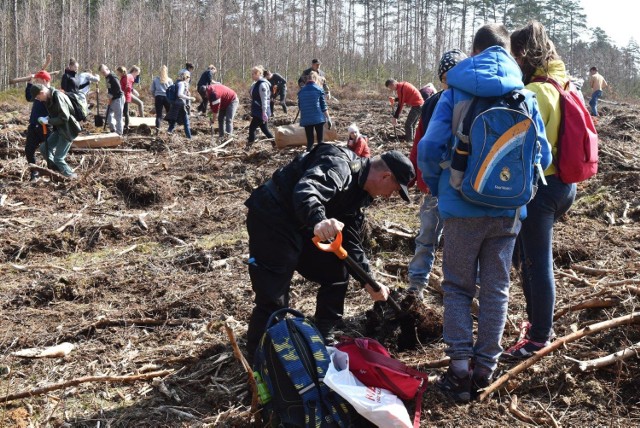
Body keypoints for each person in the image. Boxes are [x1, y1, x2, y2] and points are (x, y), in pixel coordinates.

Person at [417, 23, 552, 402]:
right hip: (508, 211)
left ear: (473, 52)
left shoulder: (456, 90)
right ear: (509, 52)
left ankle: (459, 371)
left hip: (461, 207)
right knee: (497, 288)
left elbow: (429, 147)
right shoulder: (524, 94)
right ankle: (485, 368)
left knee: (458, 286)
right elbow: (544, 155)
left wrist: (436, 184)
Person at [244, 144, 415, 361]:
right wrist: (318, 219)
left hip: (303, 226)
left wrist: (369, 281)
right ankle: (259, 360)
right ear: (385, 176)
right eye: (396, 189)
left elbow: (351, 243)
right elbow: (307, 190)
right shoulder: (339, 165)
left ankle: (324, 333)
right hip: (273, 216)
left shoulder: (360, 195)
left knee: (337, 271)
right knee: (274, 296)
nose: (391, 196)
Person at [502, 21, 578, 360]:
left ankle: (540, 337)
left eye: (517, 56)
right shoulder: (561, 81)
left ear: (526, 54)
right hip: (564, 184)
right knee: (526, 256)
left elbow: (528, 147)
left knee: (535, 261)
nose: (515, 63)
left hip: (544, 188)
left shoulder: (538, 92)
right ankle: (537, 325)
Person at [407, 49, 467, 300]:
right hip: (457, 184)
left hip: (446, 183)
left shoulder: (440, 102)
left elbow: (423, 146)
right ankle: (422, 286)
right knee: (435, 237)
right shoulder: (437, 103)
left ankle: (432, 286)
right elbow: (421, 144)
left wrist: (424, 179)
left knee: (436, 237)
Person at [31, 83, 82, 178]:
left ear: (42, 92)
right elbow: (55, 114)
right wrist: (47, 118)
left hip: (68, 130)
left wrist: (48, 121)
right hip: (59, 129)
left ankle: (72, 177)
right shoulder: (48, 98)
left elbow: (64, 117)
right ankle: (57, 171)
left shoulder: (58, 96)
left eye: (38, 97)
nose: (39, 100)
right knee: (44, 148)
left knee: (58, 158)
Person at [25, 70, 53, 181]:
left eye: (38, 80)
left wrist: (48, 119)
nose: (36, 81)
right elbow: (28, 97)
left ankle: (53, 174)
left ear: (45, 81)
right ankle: (34, 173)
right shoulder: (37, 91)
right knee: (29, 150)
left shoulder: (51, 93)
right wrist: (30, 83)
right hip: (33, 126)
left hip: (46, 127)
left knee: (48, 152)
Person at [298, 71, 332, 151]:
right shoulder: (319, 90)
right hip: (318, 118)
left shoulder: (301, 91)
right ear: (316, 79)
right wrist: (328, 118)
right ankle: (320, 156)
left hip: (306, 118)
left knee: (310, 141)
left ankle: (308, 156)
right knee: (320, 141)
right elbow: (323, 106)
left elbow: (300, 106)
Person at [247, 65, 273, 147]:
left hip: (261, 111)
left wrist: (264, 112)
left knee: (252, 128)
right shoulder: (256, 84)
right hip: (257, 110)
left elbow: (264, 99)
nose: (252, 76)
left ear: (258, 74)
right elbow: (251, 93)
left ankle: (248, 146)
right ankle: (275, 143)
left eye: (253, 74)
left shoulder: (262, 85)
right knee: (264, 129)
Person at [166, 70, 195, 139]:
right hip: (180, 105)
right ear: (187, 77)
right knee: (186, 122)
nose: (189, 79)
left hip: (176, 105)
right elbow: (180, 94)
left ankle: (168, 135)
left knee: (173, 122)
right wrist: (190, 98)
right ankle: (189, 138)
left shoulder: (178, 83)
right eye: (189, 77)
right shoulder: (182, 84)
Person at [99, 64, 125, 136]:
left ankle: (119, 133)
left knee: (118, 116)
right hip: (112, 98)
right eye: (102, 73)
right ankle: (113, 129)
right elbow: (110, 88)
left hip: (118, 98)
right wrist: (109, 95)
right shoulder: (107, 77)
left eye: (104, 72)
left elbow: (118, 89)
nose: (103, 74)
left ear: (107, 69)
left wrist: (111, 96)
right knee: (108, 114)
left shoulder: (113, 77)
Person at [150, 65, 173, 133]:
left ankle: (157, 130)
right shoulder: (169, 80)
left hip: (158, 97)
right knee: (169, 114)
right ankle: (170, 130)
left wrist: (155, 96)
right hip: (167, 98)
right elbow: (172, 90)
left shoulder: (155, 79)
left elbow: (152, 90)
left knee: (159, 115)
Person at [116, 66, 135, 132]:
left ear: (121, 72)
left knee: (125, 112)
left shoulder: (125, 78)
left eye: (118, 72)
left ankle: (126, 126)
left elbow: (128, 88)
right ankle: (125, 125)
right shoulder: (124, 77)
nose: (118, 74)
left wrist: (122, 91)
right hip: (125, 96)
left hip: (125, 96)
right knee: (124, 111)